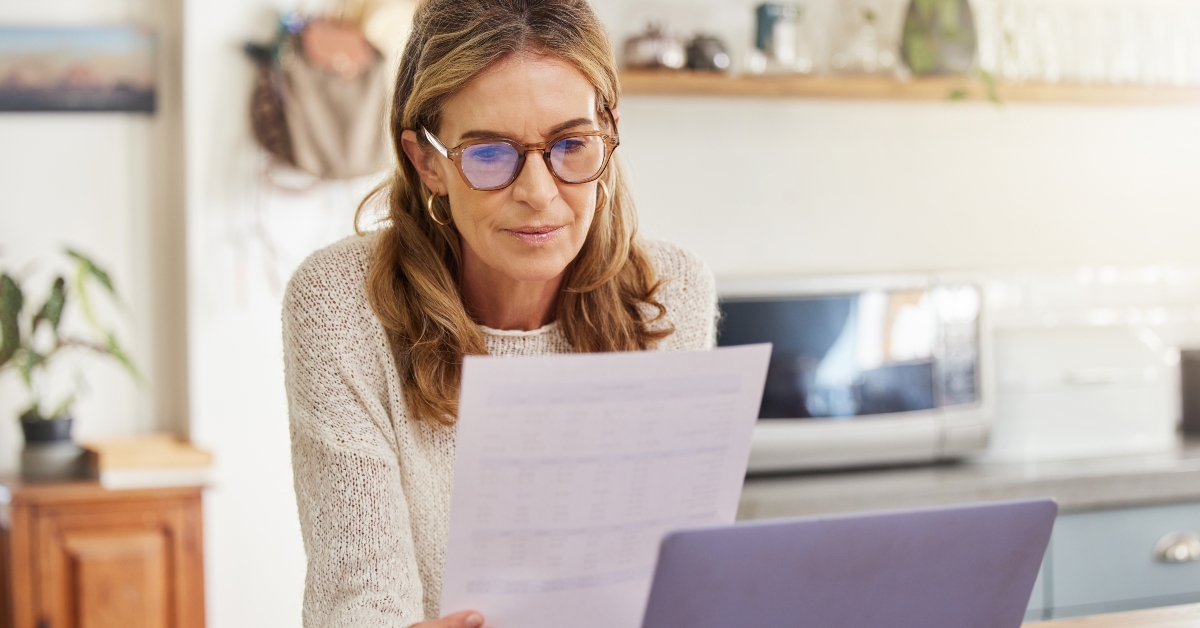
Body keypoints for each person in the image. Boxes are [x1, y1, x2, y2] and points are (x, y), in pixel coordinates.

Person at [282, 1, 717, 626]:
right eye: (490, 155)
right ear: (426, 161)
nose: (539, 194)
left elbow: (672, 581)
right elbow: (361, 603)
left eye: (572, 145)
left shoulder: (673, 292)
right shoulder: (340, 306)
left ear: (609, 132)